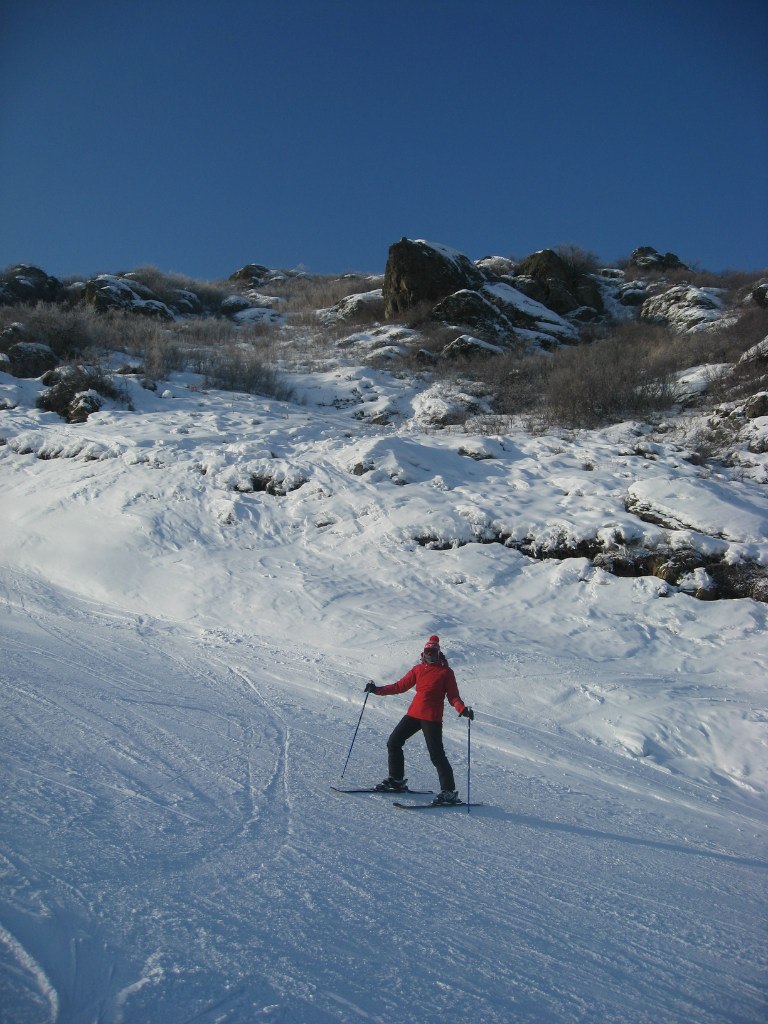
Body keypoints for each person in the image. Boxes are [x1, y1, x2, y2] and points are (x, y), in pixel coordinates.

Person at [365, 635, 474, 804]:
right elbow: (399, 686)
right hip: (414, 714)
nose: (429, 654)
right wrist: (376, 690)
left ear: (438, 653)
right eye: (427, 651)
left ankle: (449, 792)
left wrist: (462, 709)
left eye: (433, 652)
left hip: (432, 718)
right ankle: (396, 781)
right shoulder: (418, 669)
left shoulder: (446, 672)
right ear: (423, 653)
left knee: (437, 755)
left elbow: (453, 696)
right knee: (394, 742)